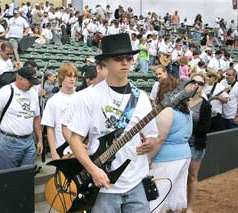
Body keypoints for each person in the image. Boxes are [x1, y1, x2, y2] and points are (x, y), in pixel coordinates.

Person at [67, 33, 158, 212]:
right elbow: (75, 140)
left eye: (129, 58)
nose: (125, 62)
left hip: (136, 182)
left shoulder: (142, 98)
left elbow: (152, 135)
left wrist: (151, 142)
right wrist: (93, 170)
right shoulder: (88, 97)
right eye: (118, 58)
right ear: (106, 62)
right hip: (103, 186)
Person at [148, 77, 193, 213]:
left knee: (157, 200)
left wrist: (148, 158)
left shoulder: (166, 110)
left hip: (166, 159)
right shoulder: (187, 110)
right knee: (173, 198)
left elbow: (160, 138)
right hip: (184, 155)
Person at [0, 66, 43, 169]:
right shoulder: (6, 91)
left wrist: (40, 140)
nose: (32, 85)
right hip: (10, 140)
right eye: (30, 82)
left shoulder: (33, 92)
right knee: (10, 176)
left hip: (29, 139)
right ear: (20, 78)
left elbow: (37, 117)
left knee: (26, 174)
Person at [41, 63, 78, 160]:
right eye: (69, 76)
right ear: (61, 78)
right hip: (61, 148)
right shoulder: (53, 101)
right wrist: (53, 152)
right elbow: (50, 128)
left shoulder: (82, 98)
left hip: (80, 147)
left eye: (74, 76)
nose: (72, 79)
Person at [187, 72, 212, 213]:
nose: (196, 85)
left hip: (195, 145)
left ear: (203, 86)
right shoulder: (182, 101)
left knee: (192, 176)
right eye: (194, 81)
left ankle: (190, 207)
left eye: (200, 83)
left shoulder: (205, 105)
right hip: (180, 144)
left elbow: (205, 128)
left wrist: (187, 125)